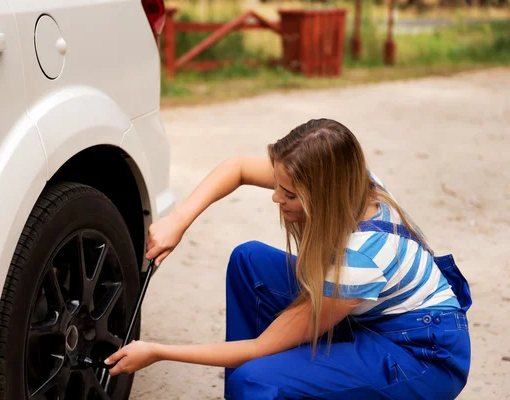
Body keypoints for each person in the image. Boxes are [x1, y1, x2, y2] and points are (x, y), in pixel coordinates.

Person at [104, 118, 472, 399]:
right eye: (278, 185)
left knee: (257, 375)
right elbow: (238, 168)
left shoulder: (359, 260)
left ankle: (260, 389)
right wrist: (178, 221)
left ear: (322, 195)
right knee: (250, 261)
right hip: (372, 313)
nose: (276, 198)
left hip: (421, 356)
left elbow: (259, 348)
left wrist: (158, 351)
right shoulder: (353, 181)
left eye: (289, 194)